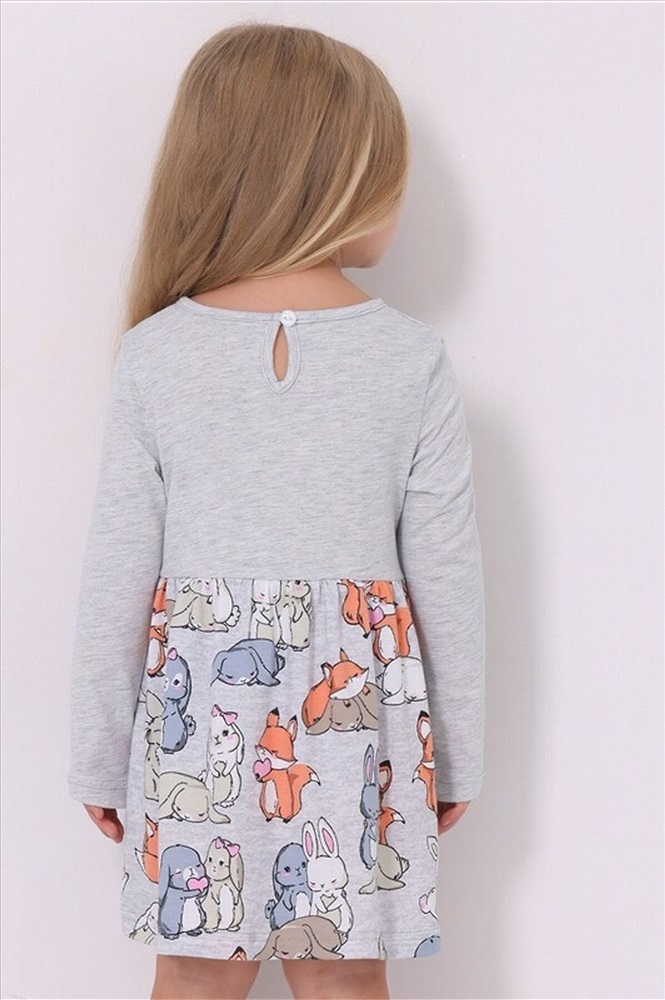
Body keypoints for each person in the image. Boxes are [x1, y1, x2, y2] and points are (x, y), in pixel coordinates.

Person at [67, 21, 486, 1000]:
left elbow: (115, 576)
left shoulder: (155, 354)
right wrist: (456, 756)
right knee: (343, 972)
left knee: (192, 972)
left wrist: (97, 756)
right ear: (330, 179)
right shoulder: (408, 358)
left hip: (192, 713)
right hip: (357, 719)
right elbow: (448, 581)